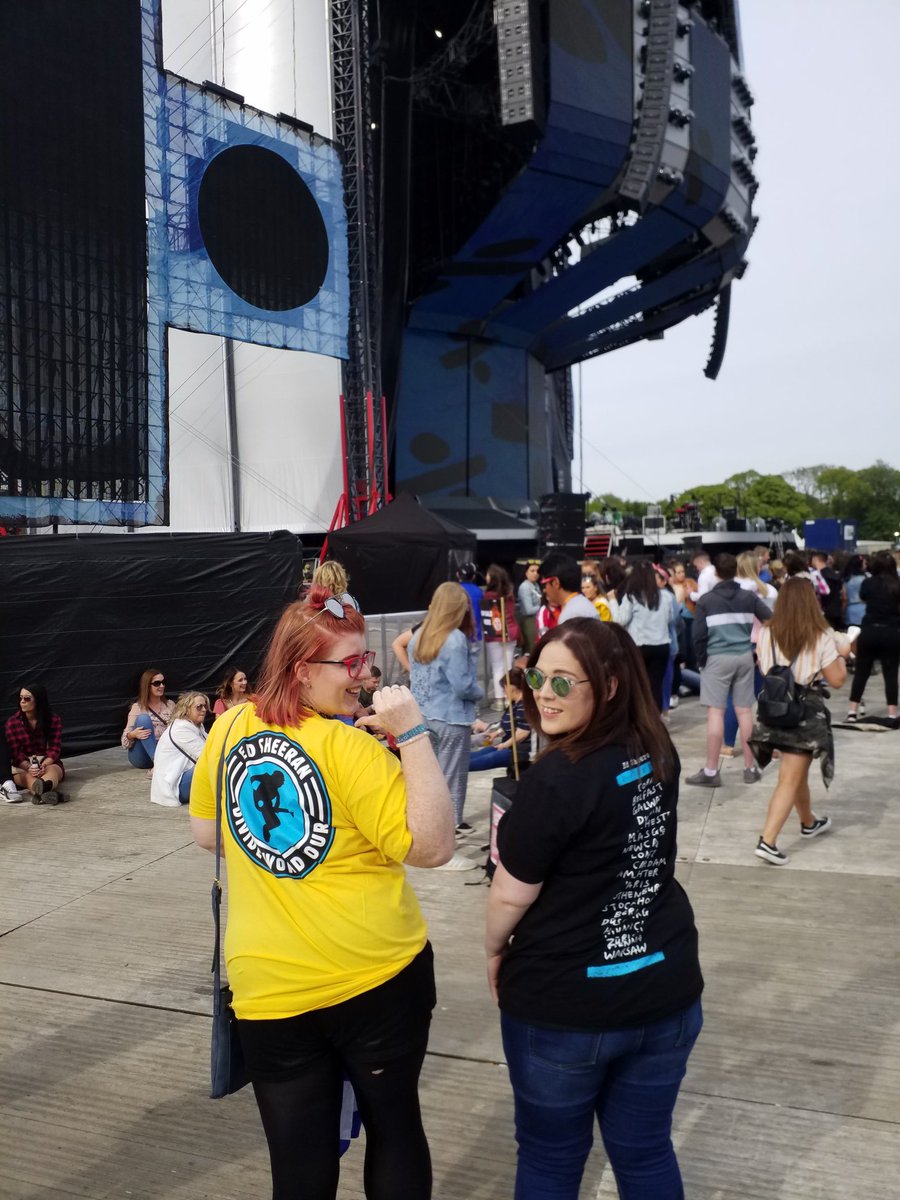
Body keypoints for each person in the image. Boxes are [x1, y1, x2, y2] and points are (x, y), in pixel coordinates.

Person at [190, 586, 455, 1200]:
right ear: (303, 671)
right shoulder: (351, 751)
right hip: (376, 977)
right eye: (352, 664)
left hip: (271, 991)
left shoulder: (229, 727)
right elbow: (435, 845)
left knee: (299, 1165)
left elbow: (208, 833)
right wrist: (411, 733)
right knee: (395, 1130)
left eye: (366, 660)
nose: (365, 677)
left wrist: (275, 853)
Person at [485, 619, 703, 1199]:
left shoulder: (557, 779)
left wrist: (493, 950)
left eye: (563, 681)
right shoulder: (656, 749)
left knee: (552, 1159)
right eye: (536, 677)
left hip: (566, 1008)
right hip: (664, 988)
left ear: (608, 686)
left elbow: (510, 891)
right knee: (646, 1149)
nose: (542, 694)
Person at [749, 578, 850, 865]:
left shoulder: (766, 632)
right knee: (790, 777)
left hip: (773, 707)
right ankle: (768, 841)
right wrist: (842, 656)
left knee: (796, 771)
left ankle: (808, 822)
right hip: (803, 712)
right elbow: (838, 680)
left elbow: (763, 666)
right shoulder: (820, 636)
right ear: (811, 602)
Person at [409, 581, 484, 852]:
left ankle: (431, 825)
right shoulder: (455, 638)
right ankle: (449, 832)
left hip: (424, 715)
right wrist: (481, 692)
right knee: (453, 778)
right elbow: (463, 685)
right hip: (452, 718)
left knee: (430, 776)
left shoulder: (419, 635)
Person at [687, 554, 772, 788]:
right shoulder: (748, 597)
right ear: (736, 571)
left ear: (715, 573)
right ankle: (750, 767)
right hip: (744, 656)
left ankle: (711, 771)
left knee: (716, 713)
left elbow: (698, 636)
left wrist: (703, 660)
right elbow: (771, 620)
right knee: (745, 712)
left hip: (716, 657)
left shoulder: (706, 600)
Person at [721, 552, 778, 756]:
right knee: (766, 696)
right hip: (764, 646)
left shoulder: (729, 591)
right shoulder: (769, 590)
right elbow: (772, 622)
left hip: (735, 646)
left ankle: (727, 744)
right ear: (757, 568)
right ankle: (769, 743)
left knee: (734, 697)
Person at [614, 560, 677, 712]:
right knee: (656, 685)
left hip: (639, 646)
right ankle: (656, 718)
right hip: (661, 645)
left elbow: (619, 620)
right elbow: (671, 619)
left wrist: (611, 601)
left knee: (638, 685)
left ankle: (640, 718)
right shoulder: (666, 596)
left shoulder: (632, 597)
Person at [846, 550, 900, 725]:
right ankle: (892, 712)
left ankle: (852, 711)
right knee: (891, 673)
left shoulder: (867, 583)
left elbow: (863, 599)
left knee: (862, 671)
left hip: (869, 629)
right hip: (891, 631)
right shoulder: (897, 584)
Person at [6, 685, 66, 803]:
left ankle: (42, 793)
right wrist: (29, 768)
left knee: (52, 771)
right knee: (29, 777)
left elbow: (54, 749)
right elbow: (15, 753)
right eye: (20, 698)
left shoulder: (53, 720)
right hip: (22, 766)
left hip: (47, 762)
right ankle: (52, 794)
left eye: (27, 698)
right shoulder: (12, 722)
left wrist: (43, 766)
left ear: (38, 700)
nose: (22, 701)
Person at [150, 692, 209, 807]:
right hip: (174, 788)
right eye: (199, 707)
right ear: (187, 709)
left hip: (182, 778)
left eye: (205, 706)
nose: (204, 709)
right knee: (211, 765)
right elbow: (206, 755)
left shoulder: (196, 726)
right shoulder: (181, 729)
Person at [469, 667, 531, 772]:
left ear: (511, 687)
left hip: (518, 751)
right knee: (474, 756)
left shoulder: (523, 705)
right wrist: (495, 734)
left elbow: (522, 733)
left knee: (475, 763)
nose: (504, 692)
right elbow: (509, 726)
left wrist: (504, 745)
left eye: (504, 688)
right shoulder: (514, 704)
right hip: (507, 746)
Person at [122, 669, 175, 769]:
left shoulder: (170, 705)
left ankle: (159, 764)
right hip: (142, 755)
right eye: (157, 683)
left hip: (165, 751)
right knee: (143, 719)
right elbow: (124, 743)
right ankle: (157, 763)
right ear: (147, 686)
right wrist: (132, 734)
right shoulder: (138, 707)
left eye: (163, 682)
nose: (162, 686)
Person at [482, 564, 520, 701]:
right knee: (509, 667)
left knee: (497, 667)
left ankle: (499, 699)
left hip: (495, 634)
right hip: (511, 631)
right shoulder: (509, 592)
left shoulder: (488, 596)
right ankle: (510, 698)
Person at [538, 553, 599, 624]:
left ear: (555, 582)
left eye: (544, 584)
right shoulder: (582, 603)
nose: (544, 590)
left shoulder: (570, 616)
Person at [517, 562, 542, 653]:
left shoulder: (536, 585)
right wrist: (543, 607)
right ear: (526, 573)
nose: (535, 573)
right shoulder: (525, 587)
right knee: (531, 649)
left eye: (537, 571)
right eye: (532, 571)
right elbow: (528, 610)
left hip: (536, 619)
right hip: (528, 621)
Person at [456, 562, 484, 642]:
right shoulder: (480, 592)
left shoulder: (454, 590)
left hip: (458, 638)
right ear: (474, 576)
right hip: (475, 636)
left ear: (458, 574)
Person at [843, 554, 868, 628]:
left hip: (850, 609)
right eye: (864, 564)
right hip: (864, 609)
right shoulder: (866, 578)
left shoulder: (846, 579)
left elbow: (844, 597)